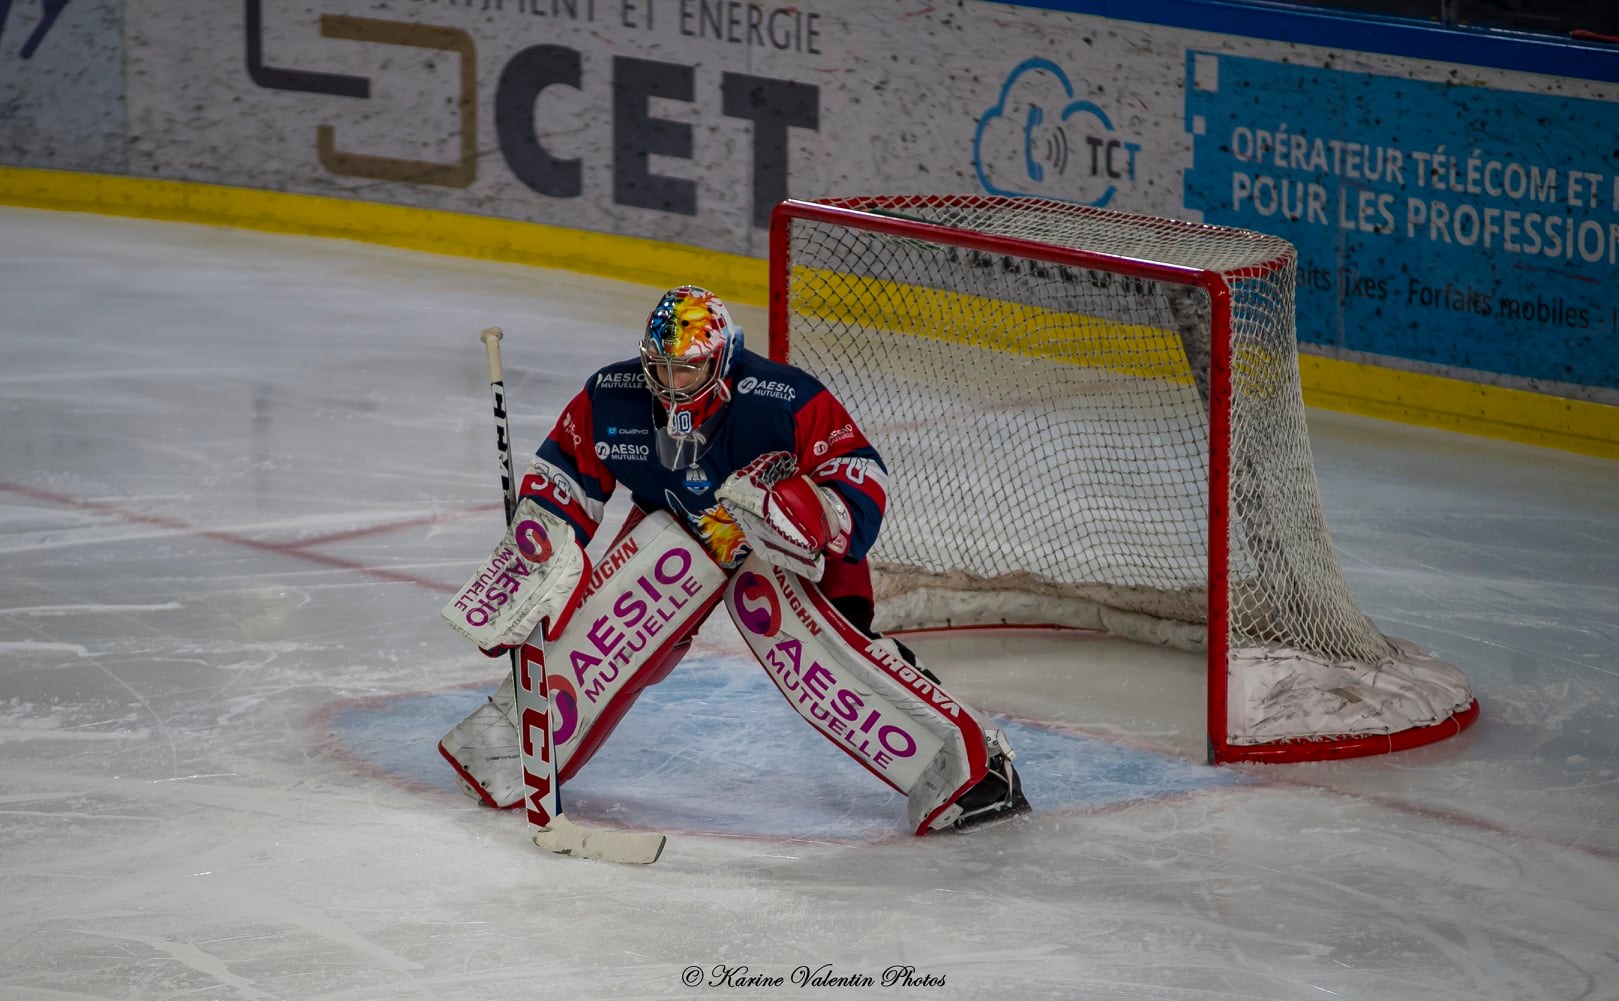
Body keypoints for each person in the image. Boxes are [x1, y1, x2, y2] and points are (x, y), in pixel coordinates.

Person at [439, 286, 1028, 833]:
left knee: (814, 649)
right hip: (681, 529)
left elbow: (858, 471)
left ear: (721, 362)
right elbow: (563, 481)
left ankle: (975, 771)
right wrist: (534, 556)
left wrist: (818, 516)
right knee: (628, 598)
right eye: (661, 368)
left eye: (688, 369)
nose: (672, 384)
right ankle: (511, 747)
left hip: (785, 547)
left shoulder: (782, 398)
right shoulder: (610, 396)